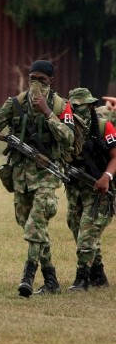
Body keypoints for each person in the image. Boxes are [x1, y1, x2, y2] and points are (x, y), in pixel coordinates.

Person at [0, 60, 75, 297]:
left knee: (36, 225)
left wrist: (47, 112)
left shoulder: (60, 105)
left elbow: (69, 138)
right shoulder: (15, 103)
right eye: (32, 79)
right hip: (21, 174)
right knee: (29, 225)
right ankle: (51, 280)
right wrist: (2, 137)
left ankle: (28, 275)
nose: (36, 84)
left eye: (42, 80)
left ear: (51, 81)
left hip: (47, 173)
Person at [63, 88, 115, 291]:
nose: (79, 110)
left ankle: (82, 279)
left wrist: (106, 177)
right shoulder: (65, 129)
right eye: (75, 106)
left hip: (100, 191)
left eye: (84, 106)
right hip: (75, 191)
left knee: (87, 235)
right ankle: (98, 275)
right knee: (78, 229)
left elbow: (115, 156)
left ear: (92, 106)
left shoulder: (103, 126)